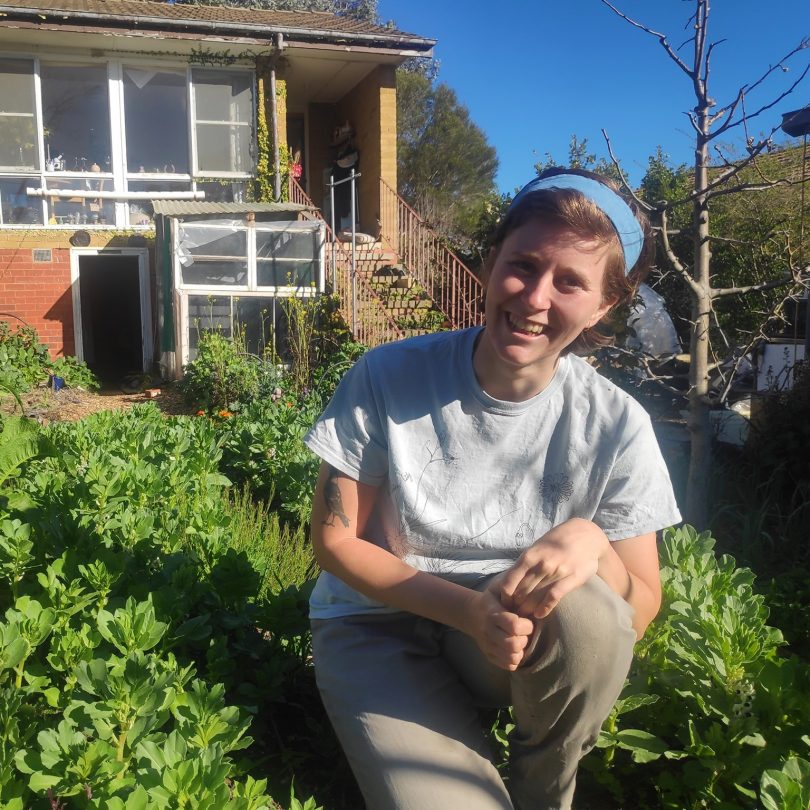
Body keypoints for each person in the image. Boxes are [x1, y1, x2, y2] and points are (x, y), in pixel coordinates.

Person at [304, 167, 682, 810]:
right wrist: (469, 613)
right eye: (524, 265)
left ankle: (544, 790)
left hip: (507, 642)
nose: (535, 298)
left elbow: (638, 606)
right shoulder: (389, 375)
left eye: (569, 282)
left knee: (590, 610)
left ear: (605, 305)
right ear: (488, 262)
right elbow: (335, 540)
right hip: (377, 625)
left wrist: (593, 542)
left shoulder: (616, 424)